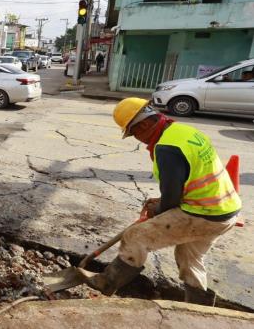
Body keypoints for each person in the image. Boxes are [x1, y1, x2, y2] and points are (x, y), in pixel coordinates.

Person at [88, 98, 241, 304]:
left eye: (133, 134)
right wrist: (161, 202)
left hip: (204, 214)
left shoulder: (167, 148)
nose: (137, 139)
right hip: (226, 211)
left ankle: (107, 282)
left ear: (143, 126)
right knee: (190, 258)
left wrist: (159, 207)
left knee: (135, 236)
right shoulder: (182, 132)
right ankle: (200, 307)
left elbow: (170, 202)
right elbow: (190, 178)